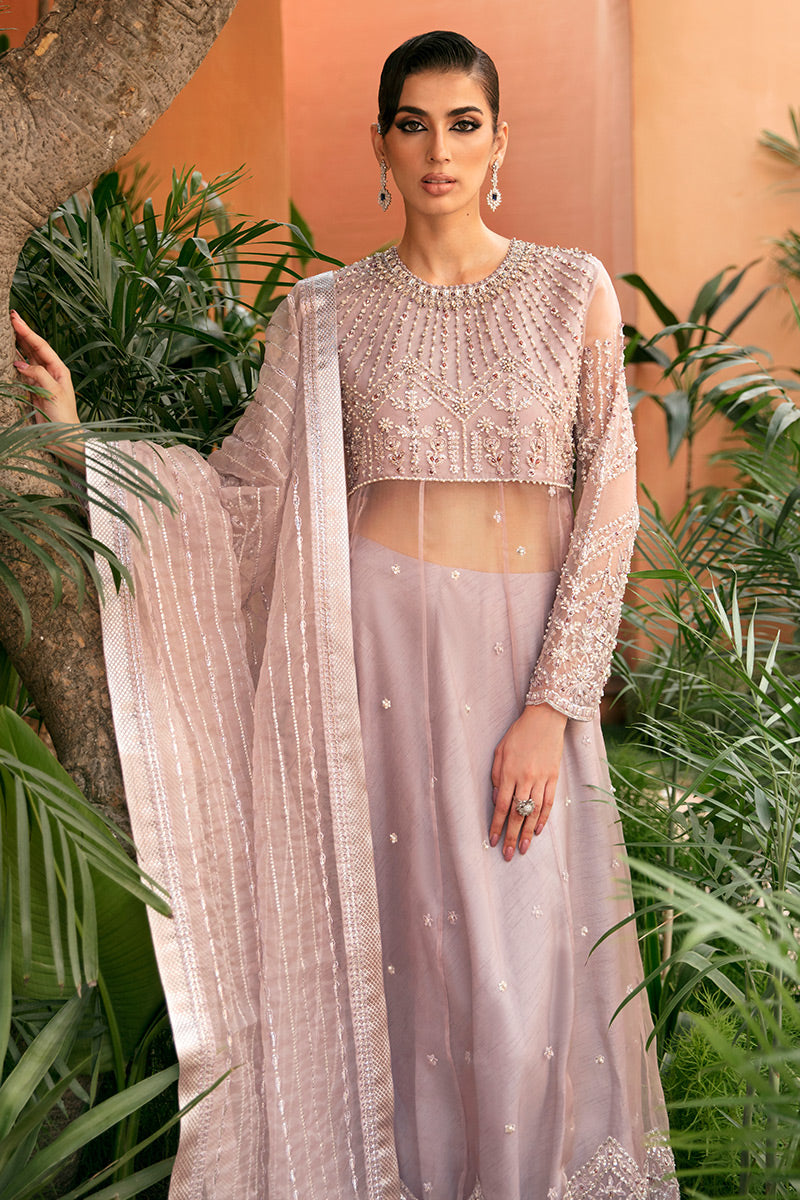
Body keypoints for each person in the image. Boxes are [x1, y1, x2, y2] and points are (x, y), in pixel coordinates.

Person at [11, 30, 678, 1200]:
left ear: (499, 142)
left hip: (518, 679)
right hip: (370, 677)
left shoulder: (570, 289)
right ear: (379, 143)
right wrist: (74, 437)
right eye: (412, 125)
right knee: (406, 970)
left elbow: (609, 506)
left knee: (522, 977)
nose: (438, 151)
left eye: (462, 124)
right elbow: (240, 500)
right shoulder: (322, 314)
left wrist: (552, 706)